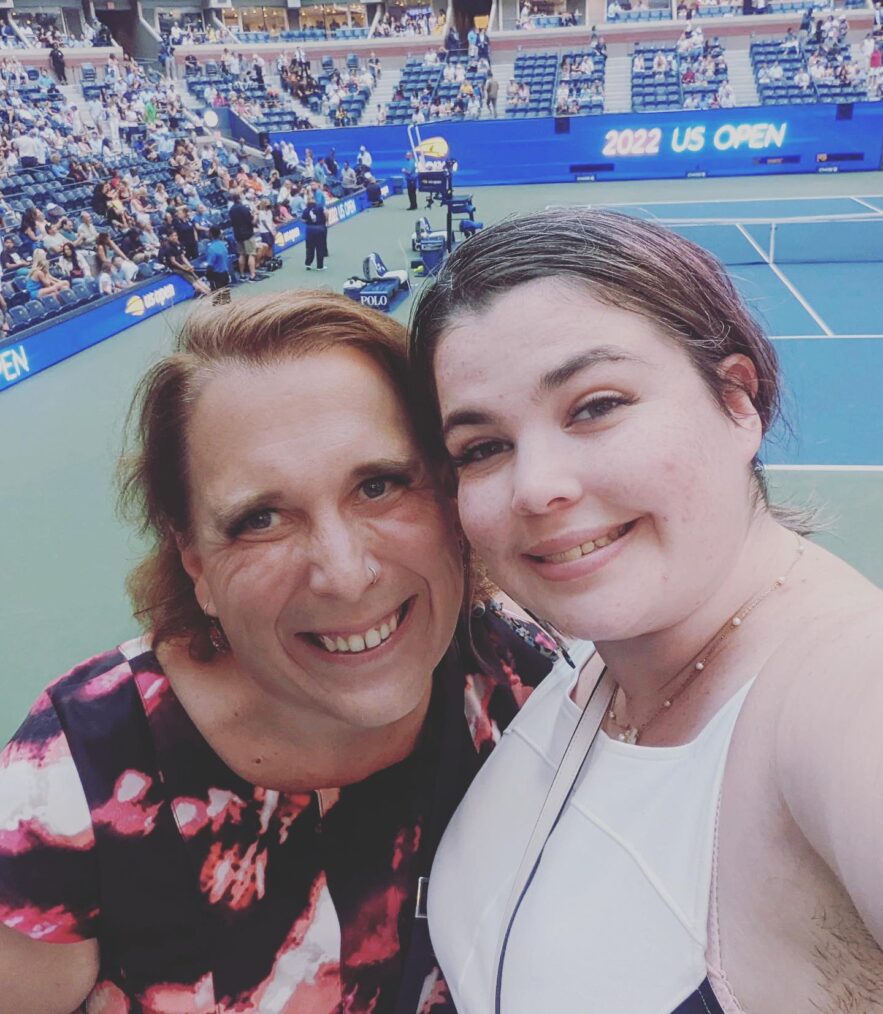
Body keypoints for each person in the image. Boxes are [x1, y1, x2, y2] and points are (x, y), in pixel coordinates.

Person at [0, 292, 553, 1012]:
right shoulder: (72, 780)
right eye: (260, 518)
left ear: (451, 492)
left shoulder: (533, 689)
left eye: (380, 484)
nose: (345, 573)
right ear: (194, 561)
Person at [409, 209, 883, 1012]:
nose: (535, 486)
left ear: (738, 400)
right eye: (481, 447)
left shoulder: (839, 688)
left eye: (594, 406)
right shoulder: (588, 663)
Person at [159, 227, 211, 295]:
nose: (174, 237)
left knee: (195, 275)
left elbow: (183, 257)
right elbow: (173, 262)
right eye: (172, 236)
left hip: (182, 265)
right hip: (174, 268)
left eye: (175, 235)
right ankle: (204, 292)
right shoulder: (168, 248)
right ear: (168, 238)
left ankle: (209, 290)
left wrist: (190, 266)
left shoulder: (178, 244)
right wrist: (184, 268)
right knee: (190, 278)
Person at [228, 189, 258, 282]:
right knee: (251, 254)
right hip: (247, 234)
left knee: (241, 254)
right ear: (240, 197)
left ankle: (242, 275)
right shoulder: (244, 208)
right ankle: (252, 275)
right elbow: (251, 222)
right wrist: (256, 215)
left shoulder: (231, 210)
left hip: (237, 234)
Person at [302, 195, 328, 271]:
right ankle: (320, 266)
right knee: (320, 247)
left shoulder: (306, 209)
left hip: (310, 230)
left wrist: (308, 221)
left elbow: (303, 220)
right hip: (320, 228)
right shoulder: (320, 206)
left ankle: (308, 264)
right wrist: (326, 221)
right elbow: (326, 213)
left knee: (310, 247)